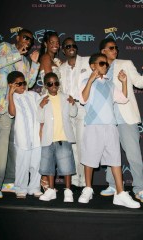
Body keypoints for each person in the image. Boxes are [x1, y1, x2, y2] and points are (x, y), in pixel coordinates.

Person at [78, 53, 140, 208]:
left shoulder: (111, 84)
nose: (105, 66)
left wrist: (124, 82)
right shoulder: (86, 81)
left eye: (106, 64)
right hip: (93, 126)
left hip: (111, 126)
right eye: (101, 63)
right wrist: (91, 80)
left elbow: (124, 98)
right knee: (89, 160)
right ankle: (87, 189)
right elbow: (83, 99)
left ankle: (120, 194)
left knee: (115, 161)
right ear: (93, 66)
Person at [99, 37, 143, 203]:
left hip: (125, 118)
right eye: (111, 48)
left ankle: (140, 188)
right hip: (107, 120)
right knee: (110, 155)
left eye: (116, 48)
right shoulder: (98, 68)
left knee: (134, 155)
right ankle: (113, 185)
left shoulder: (126, 63)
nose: (115, 50)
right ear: (103, 52)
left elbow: (140, 83)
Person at [0, 28, 40, 198]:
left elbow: (29, 84)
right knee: (1, 145)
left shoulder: (25, 62)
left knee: (13, 146)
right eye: (26, 37)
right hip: (3, 105)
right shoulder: (5, 47)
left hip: (18, 109)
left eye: (31, 40)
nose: (28, 41)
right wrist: (16, 54)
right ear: (18, 37)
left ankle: (8, 182)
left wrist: (34, 64)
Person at [37, 72, 77, 202]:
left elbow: (73, 113)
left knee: (66, 166)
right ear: (46, 85)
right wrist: (41, 106)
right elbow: (40, 118)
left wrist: (72, 104)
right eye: (50, 83)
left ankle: (68, 191)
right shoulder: (41, 99)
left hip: (63, 138)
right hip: (48, 139)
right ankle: (51, 191)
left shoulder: (66, 97)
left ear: (58, 84)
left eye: (56, 83)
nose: (53, 85)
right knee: (48, 167)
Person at [59, 37, 91, 188]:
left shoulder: (87, 62)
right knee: (71, 146)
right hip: (67, 109)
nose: (71, 48)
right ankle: (73, 179)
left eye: (73, 45)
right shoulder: (61, 68)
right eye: (67, 46)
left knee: (83, 145)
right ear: (63, 50)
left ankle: (85, 180)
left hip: (82, 108)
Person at [7, 71, 42, 198]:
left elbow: (42, 109)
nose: (22, 86)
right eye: (19, 84)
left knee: (36, 163)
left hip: (36, 136)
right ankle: (21, 188)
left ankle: (35, 187)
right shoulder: (11, 98)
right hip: (22, 137)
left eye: (24, 83)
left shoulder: (33, 95)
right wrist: (10, 95)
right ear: (11, 85)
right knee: (22, 164)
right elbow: (12, 113)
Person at [38, 31, 62, 190]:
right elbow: (50, 81)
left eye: (57, 42)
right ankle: (44, 178)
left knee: (51, 139)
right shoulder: (46, 58)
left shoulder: (53, 60)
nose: (55, 44)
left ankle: (45, 177)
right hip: (49, 100)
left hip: (55, 99)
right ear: (46, 43)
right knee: (45, 141)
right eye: (52, 41)